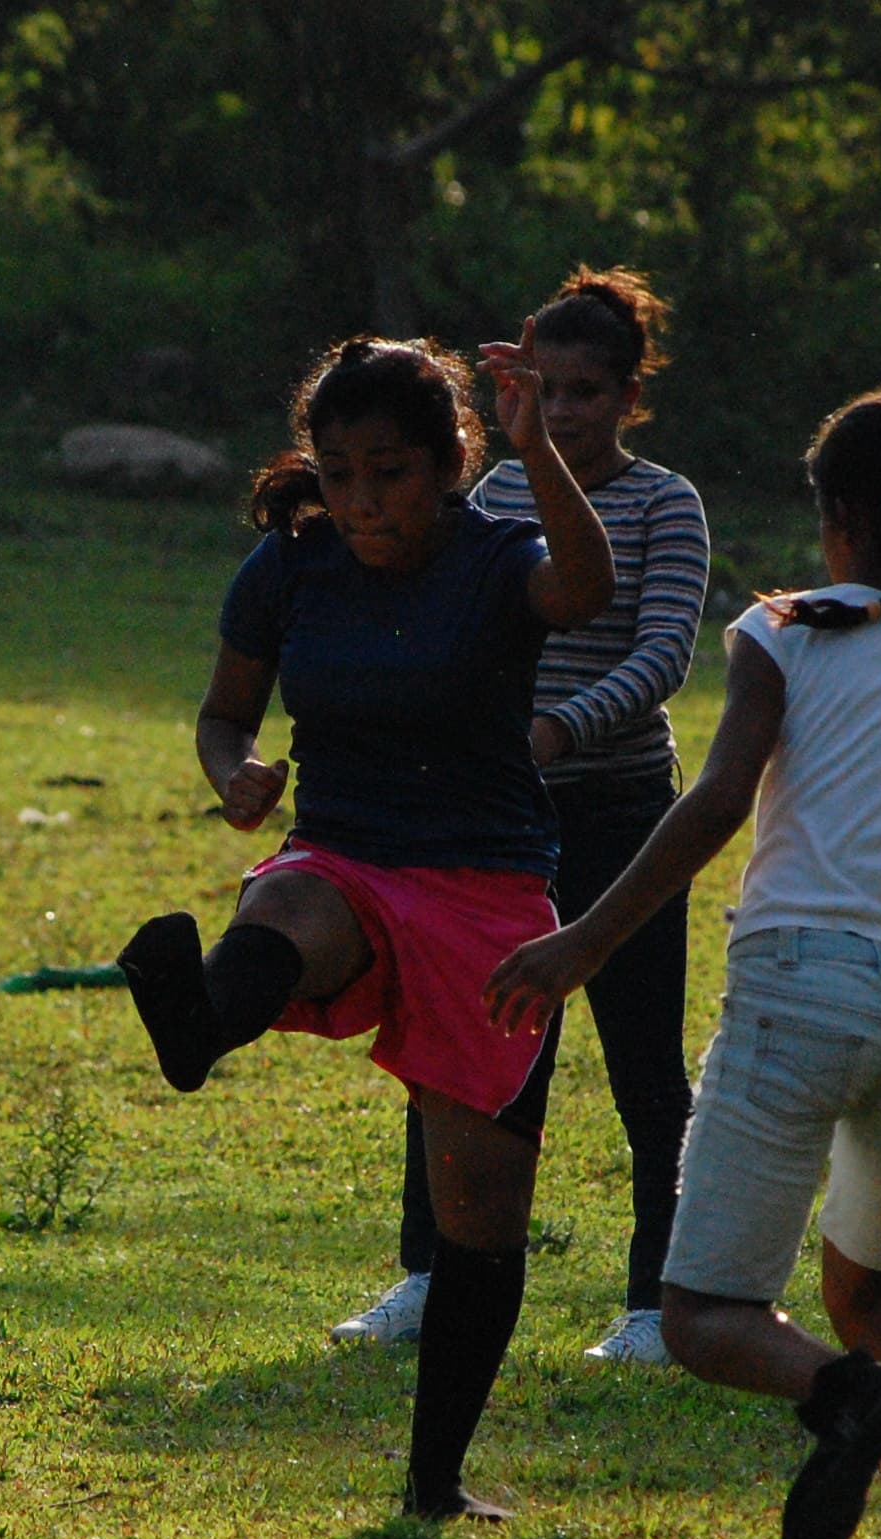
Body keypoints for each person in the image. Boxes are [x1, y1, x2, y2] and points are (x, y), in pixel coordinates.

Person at [488, 389, 881, 1539]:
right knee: (875, 1290)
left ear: (837, 521)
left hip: (793, 989)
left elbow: (713, 801)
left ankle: (845, 1398)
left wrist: (583, 942)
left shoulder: (784, 629)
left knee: (704, 1312)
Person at [117, 333, 613, 1521]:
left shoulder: (498, 557)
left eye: (386, 471)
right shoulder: (288, 568)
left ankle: (433, 1481)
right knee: (285, 898)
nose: (358, 499)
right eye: (335, 472)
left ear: (449, 461)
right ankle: (193, 1025)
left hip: (483, 891)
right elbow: (224, 714)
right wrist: (233, 771)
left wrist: (537, 442)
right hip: (341, 855)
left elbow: (587, 592)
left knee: (478, 1218)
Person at [329, 267, 710, 1365]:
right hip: (490, 822)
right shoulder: (487, 502)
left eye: (587, 390)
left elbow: (659, 655)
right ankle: (428, 1272)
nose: (566, 409)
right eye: (545, 387)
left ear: (628, 398)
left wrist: (555, 730)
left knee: (644, 1061)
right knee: (464, 1053)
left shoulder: (661, 503)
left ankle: (654, 1299)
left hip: (622, 812)